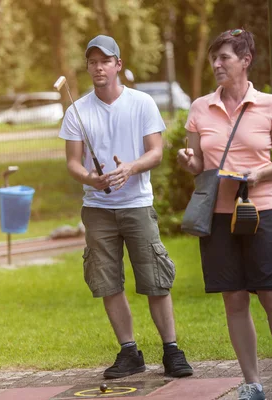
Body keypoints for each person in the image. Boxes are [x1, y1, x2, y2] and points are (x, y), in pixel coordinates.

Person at [177, 29, 272, 400]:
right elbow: (198, 164)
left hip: (261, 209)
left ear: (245, 61)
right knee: (234, 299)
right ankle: (252, 383)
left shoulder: (270, 104)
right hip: (217, 216)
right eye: (214, 58)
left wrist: (260, 173)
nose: (217, 65)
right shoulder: (200, 108)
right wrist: (188, 162)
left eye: (224, 58)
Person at [58, 34, 193, 380]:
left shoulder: (142, 103)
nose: (99, 67)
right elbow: (73, 163)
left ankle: (172, 351)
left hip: (137, 204)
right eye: (93, 62)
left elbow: (156, 152)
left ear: (118, 64)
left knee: (155, 280)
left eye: (105, 61)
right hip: (98, 209)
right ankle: (129, 352)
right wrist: (92, 178)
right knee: (108, 282)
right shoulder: (78, 110)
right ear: (87, 66)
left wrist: (129, 167)